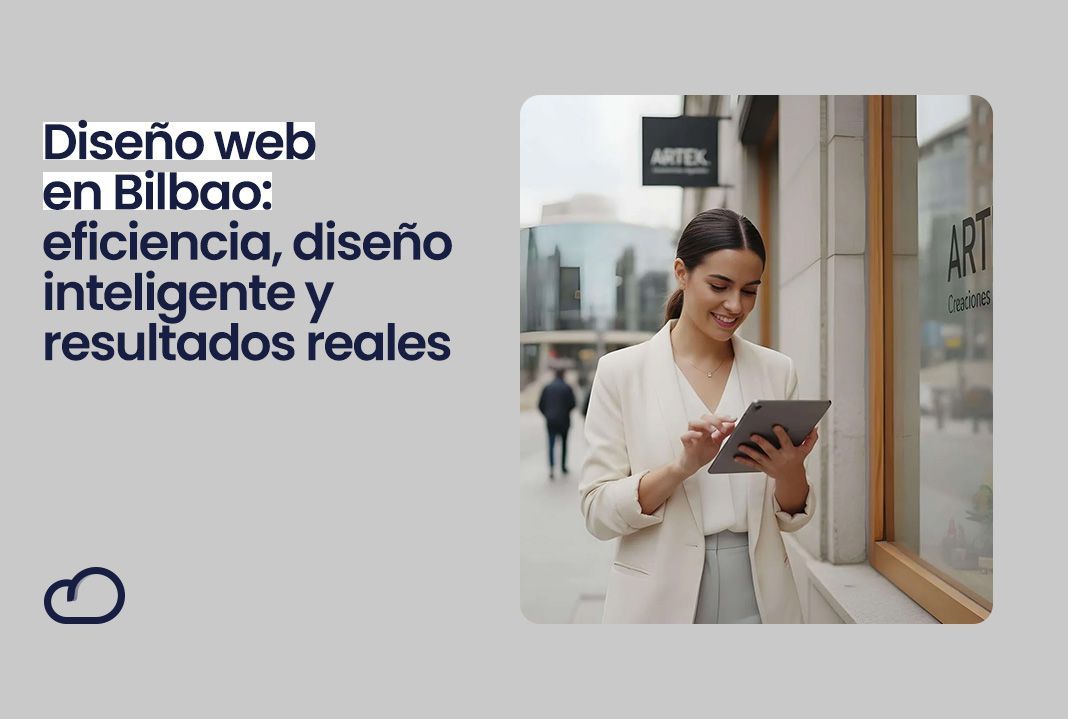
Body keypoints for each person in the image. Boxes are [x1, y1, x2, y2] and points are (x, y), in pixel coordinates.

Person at [578, 209, 818, 624]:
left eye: (749, 290)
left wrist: (789, 472)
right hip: (657, 598)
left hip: (761, 594)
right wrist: (680, 467)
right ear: (681, 273)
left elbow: (791, 517)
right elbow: (597, 512)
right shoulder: (621, 372)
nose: (735, 305)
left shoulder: (777, 371)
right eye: (720, 286)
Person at [538, 366, 576, 479]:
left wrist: (547, 415)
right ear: (563, 375)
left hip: (551, 421)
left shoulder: (547, 387)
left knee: (551, 444)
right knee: (564, 444)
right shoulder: (567, 387)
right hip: (564, 420)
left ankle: (551, 468)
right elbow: (573, 404)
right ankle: (563, 467)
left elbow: (540, 404)